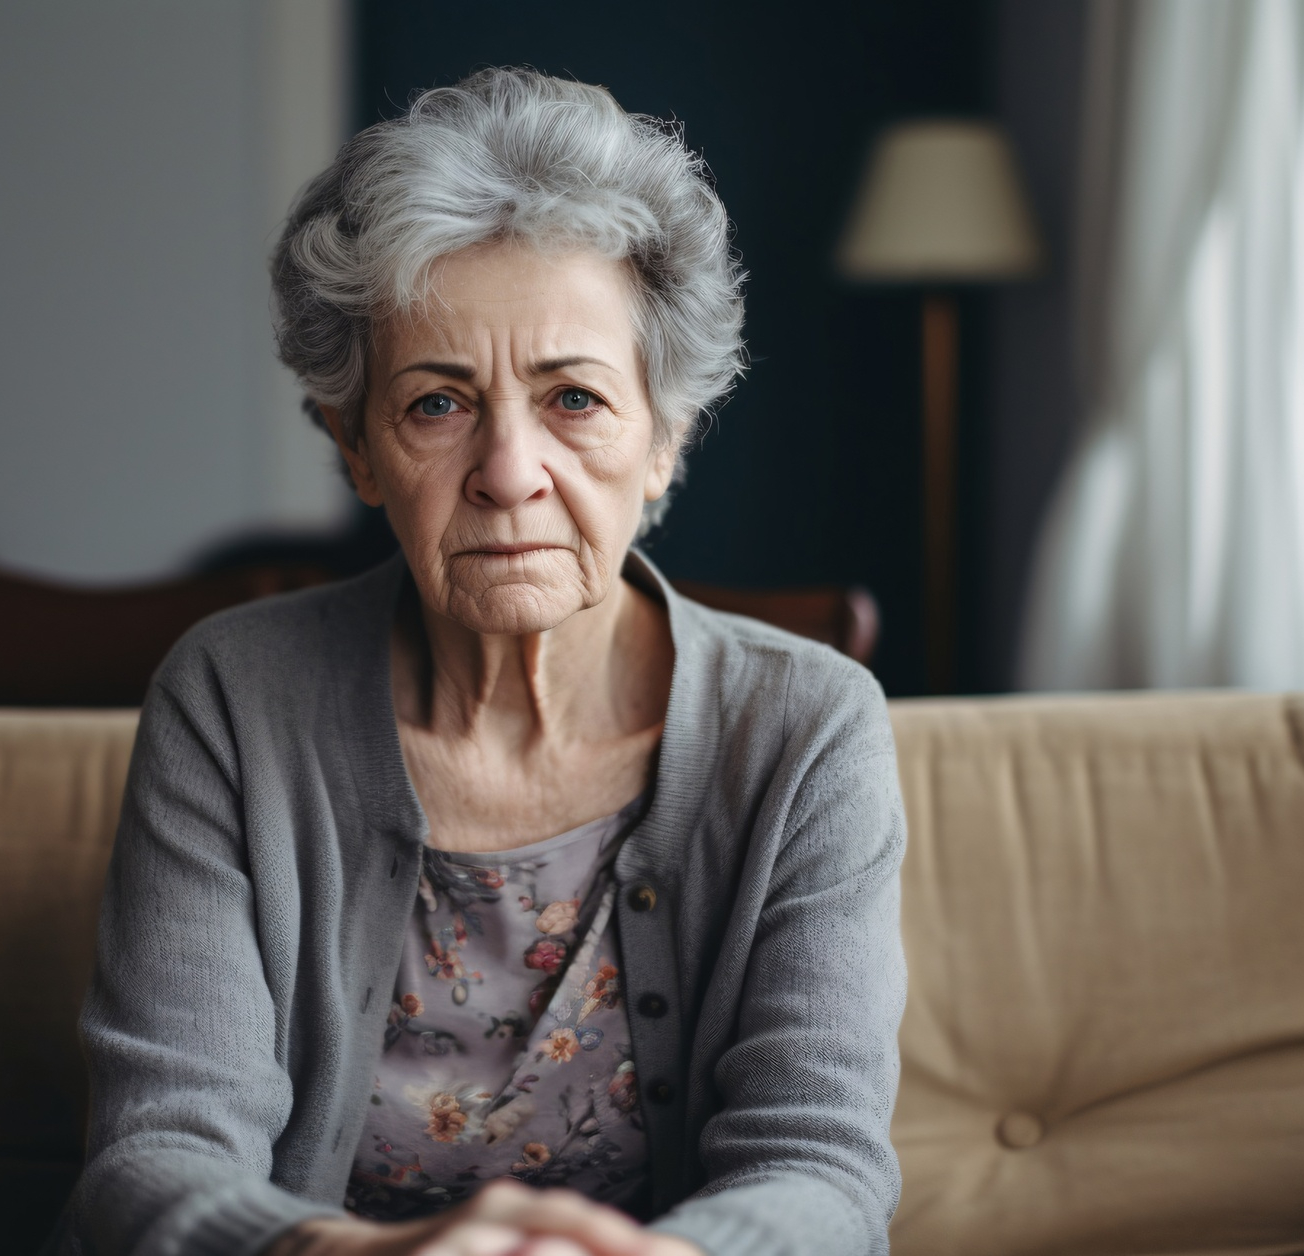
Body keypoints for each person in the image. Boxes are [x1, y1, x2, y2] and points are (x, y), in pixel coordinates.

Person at [56, 67, 906, 1256]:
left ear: (662, 441)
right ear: (355, 448)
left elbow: (819, 1164)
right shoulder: (234, 698)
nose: (509, 472)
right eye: (437, 404)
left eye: (572, 397)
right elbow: (155, 1155)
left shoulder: (807, 724)